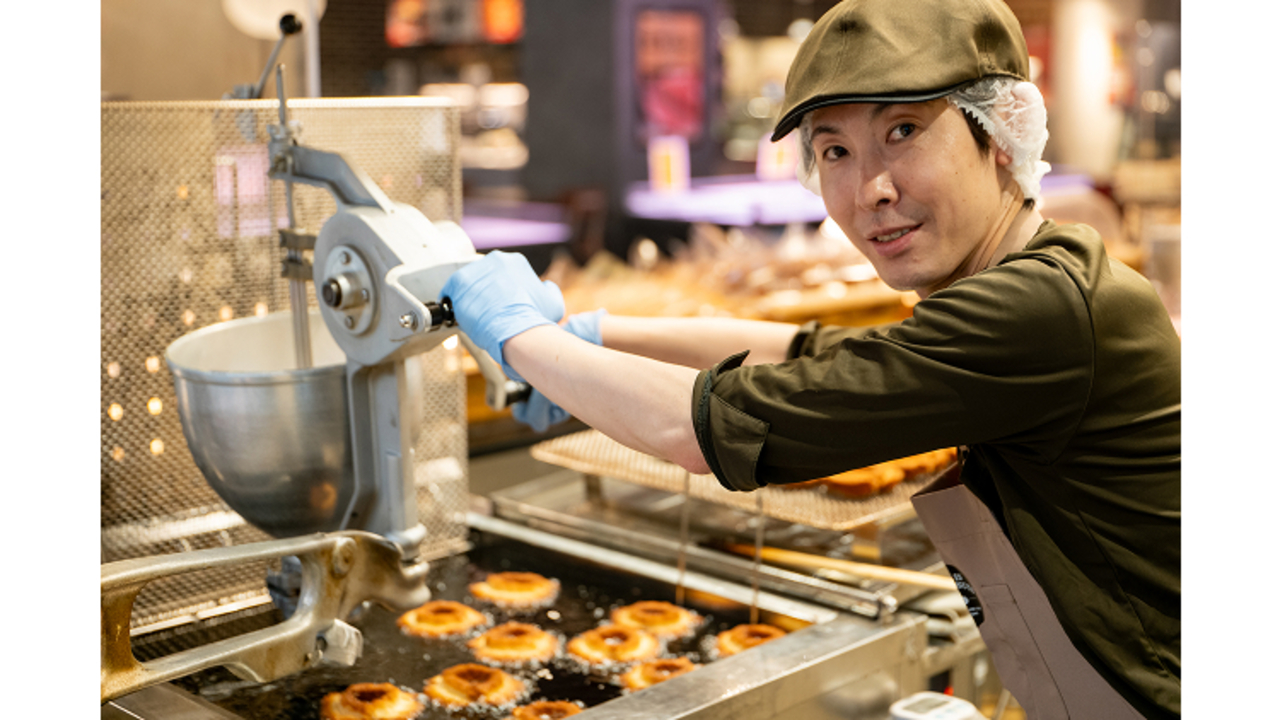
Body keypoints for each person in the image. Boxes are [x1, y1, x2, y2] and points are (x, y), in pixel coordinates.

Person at [440, 0, 1180, 717]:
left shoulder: (1038, 309)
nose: (871, 190)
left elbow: (702, 430)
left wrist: (517, 338)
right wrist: (594, 333)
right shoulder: (1036, 274)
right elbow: (817, 354)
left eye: (904, 131)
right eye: (835, 151)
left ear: (996, 134)